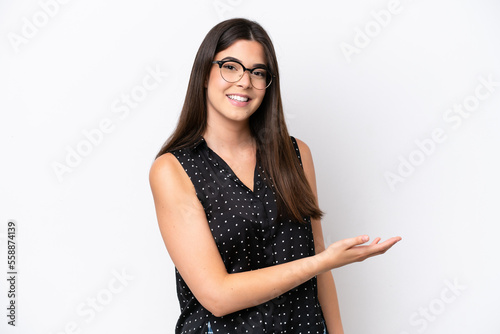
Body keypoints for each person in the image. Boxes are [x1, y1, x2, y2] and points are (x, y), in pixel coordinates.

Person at [149, 18, 402, 334]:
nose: (244, 82)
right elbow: (217, 296)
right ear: (204, 74)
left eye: (258, 72)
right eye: (231, 67)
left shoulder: (296, 154)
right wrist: (323, 262)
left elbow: (317, 252)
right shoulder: (173, 170)